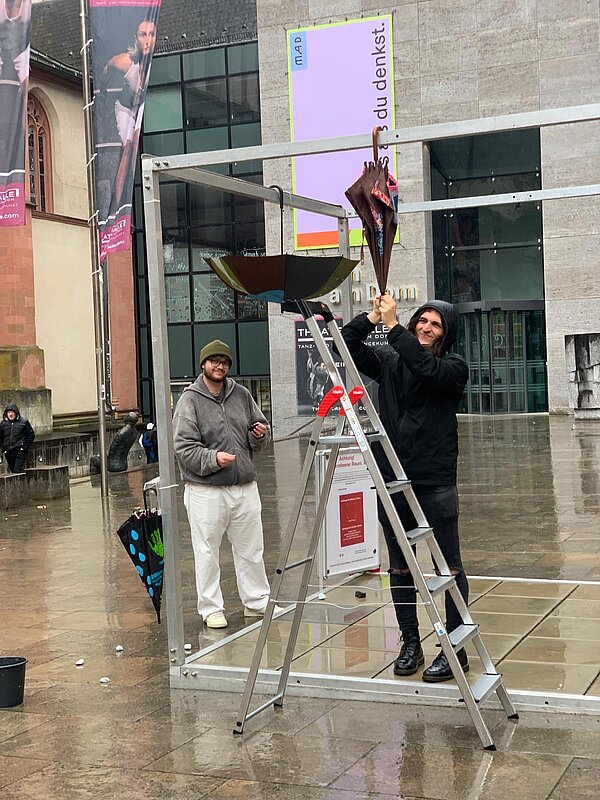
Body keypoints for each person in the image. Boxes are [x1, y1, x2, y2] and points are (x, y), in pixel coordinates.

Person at [341, 295, 469, 682]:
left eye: (435, 325)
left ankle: (456, 648)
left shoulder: (453, 366)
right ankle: (410, 641)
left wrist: (394, 328)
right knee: (399, 565)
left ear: (446, 334)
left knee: (448, 565)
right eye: (422, 321)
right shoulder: (391, 359)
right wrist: (372, 317)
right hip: (393, 477)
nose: (426, 327)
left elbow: (426, 369)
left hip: (434, 481)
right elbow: (346, 343)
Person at [173, 339, 272, 629]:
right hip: (206, 490)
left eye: (225, 361)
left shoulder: (241, 394)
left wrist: (258, 434)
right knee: (206, 551)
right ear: (203, 364)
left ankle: (256, 602)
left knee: (252, 548)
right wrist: (214, 459)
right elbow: (183, 446)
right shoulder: (189, 400)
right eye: (214, 360)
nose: (220, 365)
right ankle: (211, 608)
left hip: (244, 486)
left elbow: (258, 428)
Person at [95, 17, 156, 227]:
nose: (148, 40)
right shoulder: (125, 62)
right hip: (124, 108)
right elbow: (107, 66)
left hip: (138, 108)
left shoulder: (154, 64)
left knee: (133, 149)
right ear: (136, 38)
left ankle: (124, 201)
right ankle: (116, 206)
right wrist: (102, 91)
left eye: (152, 35)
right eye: (143, 35)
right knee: (127, 148)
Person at [0, 402, 35, 473]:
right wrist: (3, 448)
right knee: (13, 470)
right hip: (8, 451)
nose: (10, 414)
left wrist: (24, 447)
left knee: (17, 470)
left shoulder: (23, 422)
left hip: (19, 449)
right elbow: (1, 437)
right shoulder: (3, 424)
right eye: (9, 412)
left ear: (16, 413)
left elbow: (31, 435)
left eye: (12, 412)